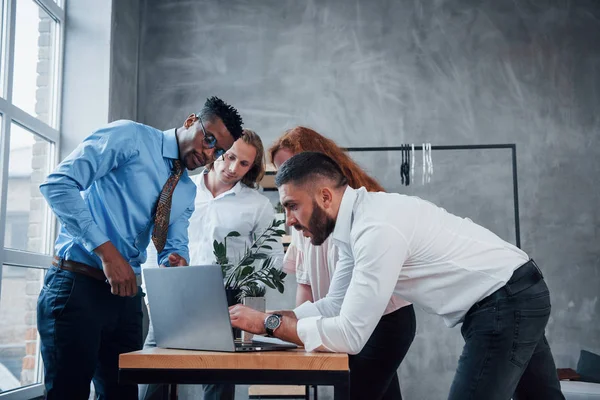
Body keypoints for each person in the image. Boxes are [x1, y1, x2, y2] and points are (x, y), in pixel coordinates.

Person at [230, 152, 566, 400]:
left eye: (291, 205)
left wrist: (267, 325)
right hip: (516, 291)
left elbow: (350, 335)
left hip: (505, 299)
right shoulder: (354, 226)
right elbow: (336, 304)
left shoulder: (376, 228)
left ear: (325, 196)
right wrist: (272, 318)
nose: (288, 219)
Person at [37, 96, 243, 400]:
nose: (209, 153)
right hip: (76, 287)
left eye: (220, 150)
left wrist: (176, 262)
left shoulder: (185, 190)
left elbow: (174, 245)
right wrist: (107, 252)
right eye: (208, 138)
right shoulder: (129, 137)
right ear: (190, 121)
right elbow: (57, 184)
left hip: (125, 299)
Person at [267, 127, 416, 400]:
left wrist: (283, 325)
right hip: (337, 319)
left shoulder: (357, 214)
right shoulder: (301, 220)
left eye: (291, 165)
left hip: (381, 319)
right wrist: (294, 332)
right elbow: (307, 283)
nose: (286, 174)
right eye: (280, 170)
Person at [140, 129, 284, 400]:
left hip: (224, 304)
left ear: (252, 167)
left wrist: (247, 293)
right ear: (218, 152)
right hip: (172, 298)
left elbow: (273, 257)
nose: (233, 168)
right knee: (152, 385)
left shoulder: (258, 205)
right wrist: (152, 298)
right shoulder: (179, 189)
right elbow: (152, 241)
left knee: (218, 390)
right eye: (229, 157)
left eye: (244, 163)